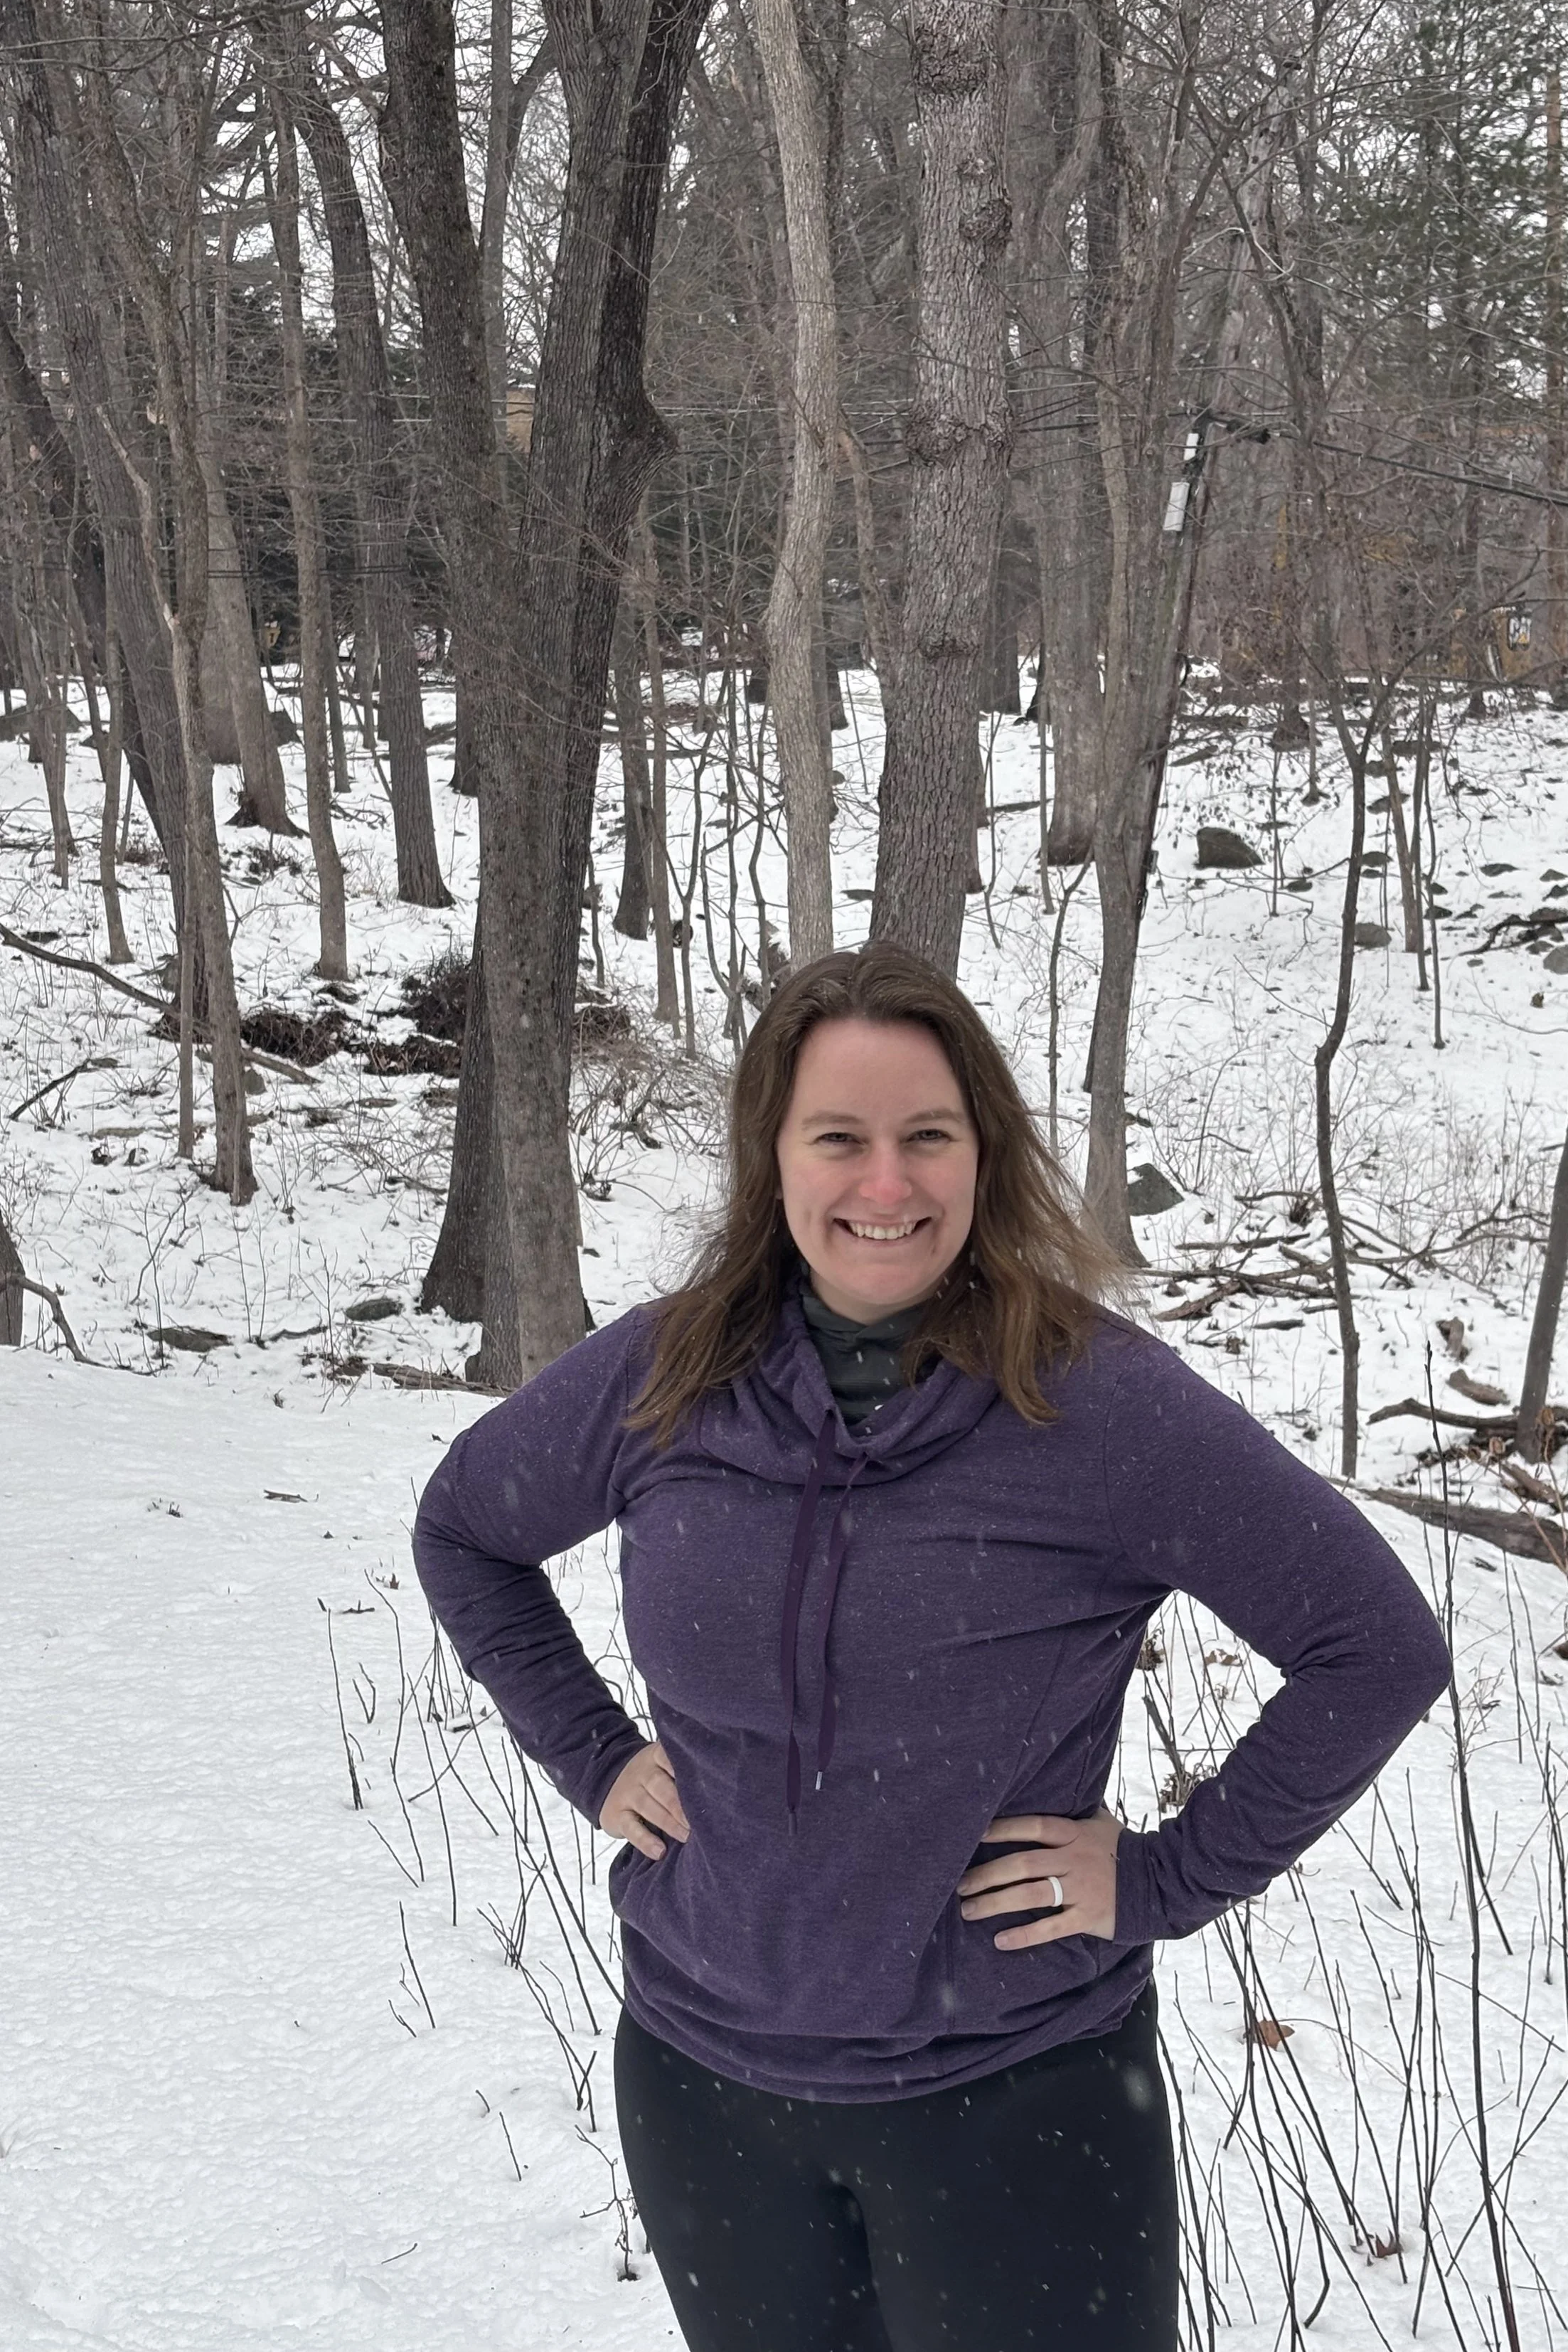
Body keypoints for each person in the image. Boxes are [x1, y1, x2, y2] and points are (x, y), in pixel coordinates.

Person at [413, 942, 1451, 2352]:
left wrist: (1161, 1876)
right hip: (710, 2099)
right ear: (771, 1159)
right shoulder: (666, 1376)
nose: (884, 1186)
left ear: (984, 1155)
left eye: (927, 1137)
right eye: (837, 1138)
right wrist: (594, 1756)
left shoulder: (1096, 1404)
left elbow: (1373, 1646)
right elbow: (464, 1530)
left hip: (1018, 2105)